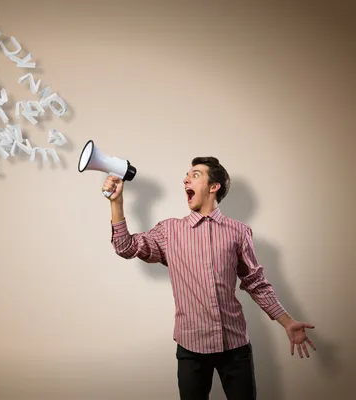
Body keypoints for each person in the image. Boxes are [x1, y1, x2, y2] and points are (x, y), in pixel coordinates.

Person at [103, 156, 316, 400]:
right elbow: (125, 247)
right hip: (191, 348)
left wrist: (288, 322)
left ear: (214, 187)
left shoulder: (239, 232)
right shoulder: (169, 231)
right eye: (186, 175)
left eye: (195, 175)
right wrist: (117, 202)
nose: (185, 179)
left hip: (235, 347)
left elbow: (256, 283)